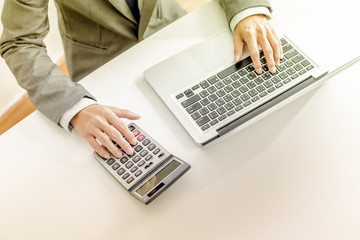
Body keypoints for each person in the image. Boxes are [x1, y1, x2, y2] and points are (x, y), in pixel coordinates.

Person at [0, 0, 282, 159]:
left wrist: (248, 10)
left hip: (169, 32)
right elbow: (20, 42)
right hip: (101, 67)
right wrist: (74, 107)